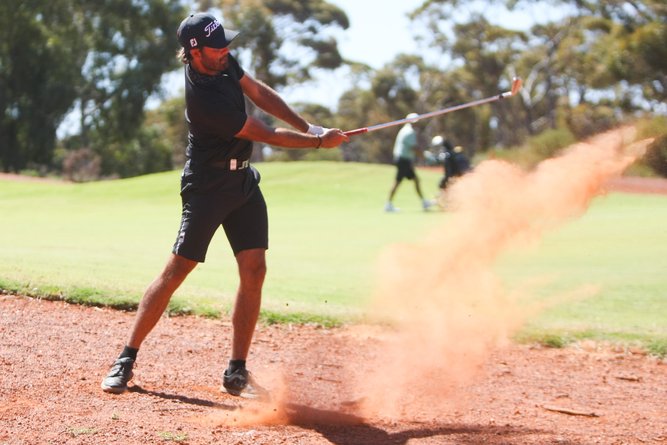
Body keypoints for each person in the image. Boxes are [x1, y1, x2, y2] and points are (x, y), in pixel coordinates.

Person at [100, 12, 348, 398]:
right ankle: (126, 358)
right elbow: (263, 133)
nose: (226, 51)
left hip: (243, 183)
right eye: (218, 47)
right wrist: (319, 144)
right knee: (177, 269)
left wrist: (308, 127)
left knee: (254, 269)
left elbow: (259, 92)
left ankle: (236, 372)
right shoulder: (204, 100)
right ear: (194, 52)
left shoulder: (223, 61)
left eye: (227, 43)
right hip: (208, 185)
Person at [384, 113, 431, 212]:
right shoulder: (409, 132)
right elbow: (414, 148)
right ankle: (388, 204)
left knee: (416, 180)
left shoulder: (405, 129)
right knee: (398, 182)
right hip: (403, 160)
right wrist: (424, 156)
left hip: (403, 159)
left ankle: (424, 202)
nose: (416, 124)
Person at [431, 135, 471, 206]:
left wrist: (446, 183)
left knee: (445, 185)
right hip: (461, 175)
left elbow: (449, 174)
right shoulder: (451, 153)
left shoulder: (448, 156)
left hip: (459, 176)